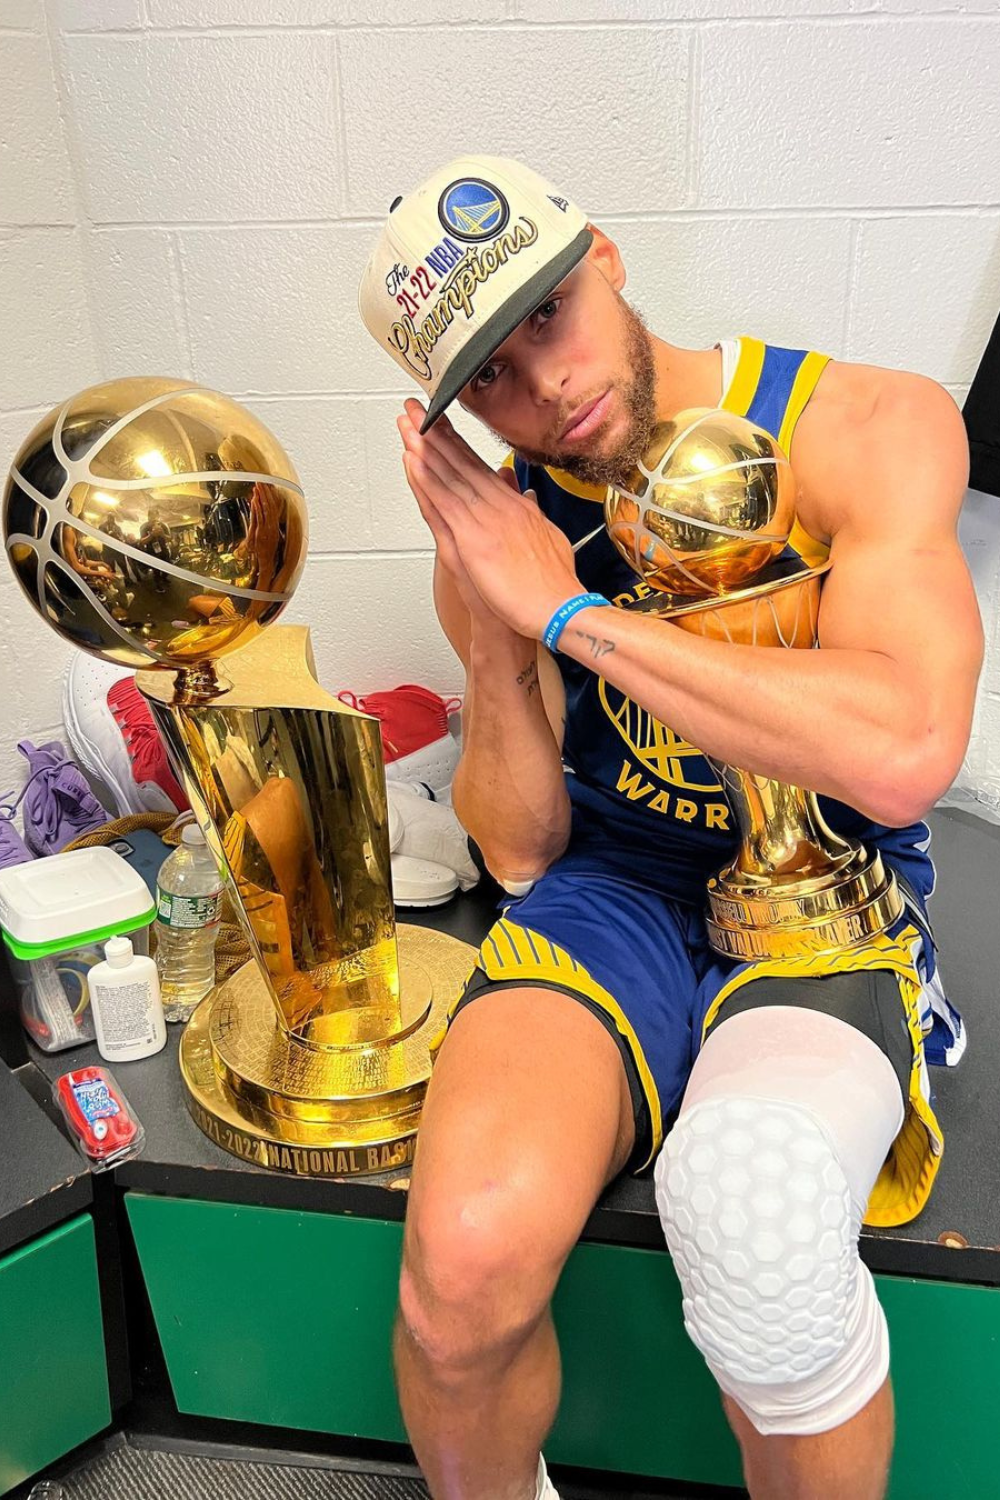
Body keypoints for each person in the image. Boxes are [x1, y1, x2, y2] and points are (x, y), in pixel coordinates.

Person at [358, 157, 982, 1500]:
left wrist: (578, 617)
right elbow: (520, 852)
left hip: (832, 879)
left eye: (548, 314)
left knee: (750, 1211)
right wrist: (499, 626)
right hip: (618, 880)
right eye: (491, 379)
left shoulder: (866, 424)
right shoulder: (517, 528)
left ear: (610, 257)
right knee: (458, 1268)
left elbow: (903, 755)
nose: (546, 387)